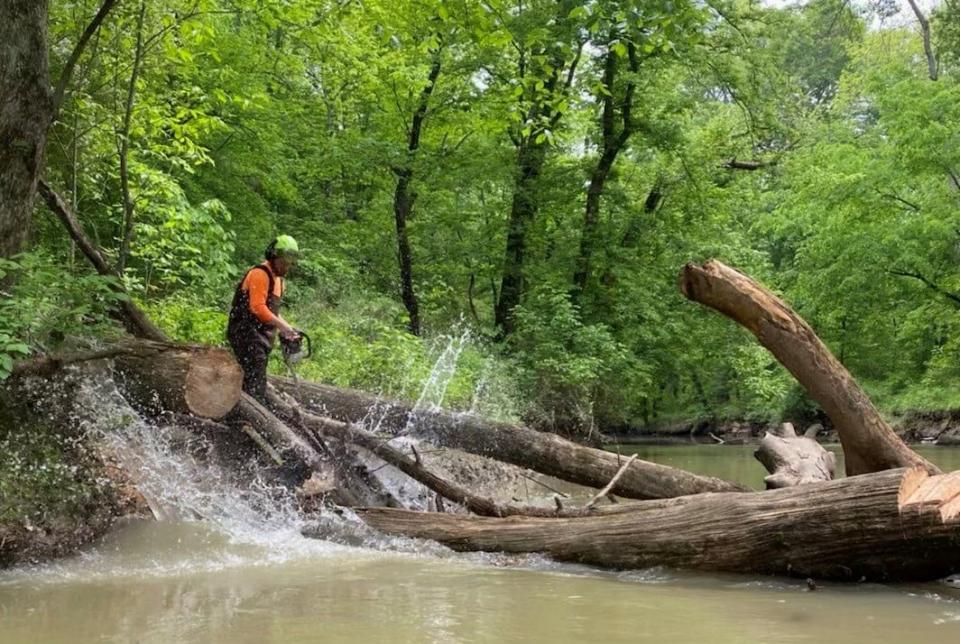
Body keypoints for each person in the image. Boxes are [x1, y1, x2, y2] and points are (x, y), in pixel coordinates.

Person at [227, 235, 300, 404]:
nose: (287, 266)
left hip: (261, 339)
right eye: (283, 262)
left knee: (253, 380)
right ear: (273, 257)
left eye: (290, 263)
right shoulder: (260, 274)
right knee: (254, 385)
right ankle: (247, 418)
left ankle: (245, 412)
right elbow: (257, 307)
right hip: (246, 334)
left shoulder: (279, 282)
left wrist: (287, 328)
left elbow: (272, 310)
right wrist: (284, 327)